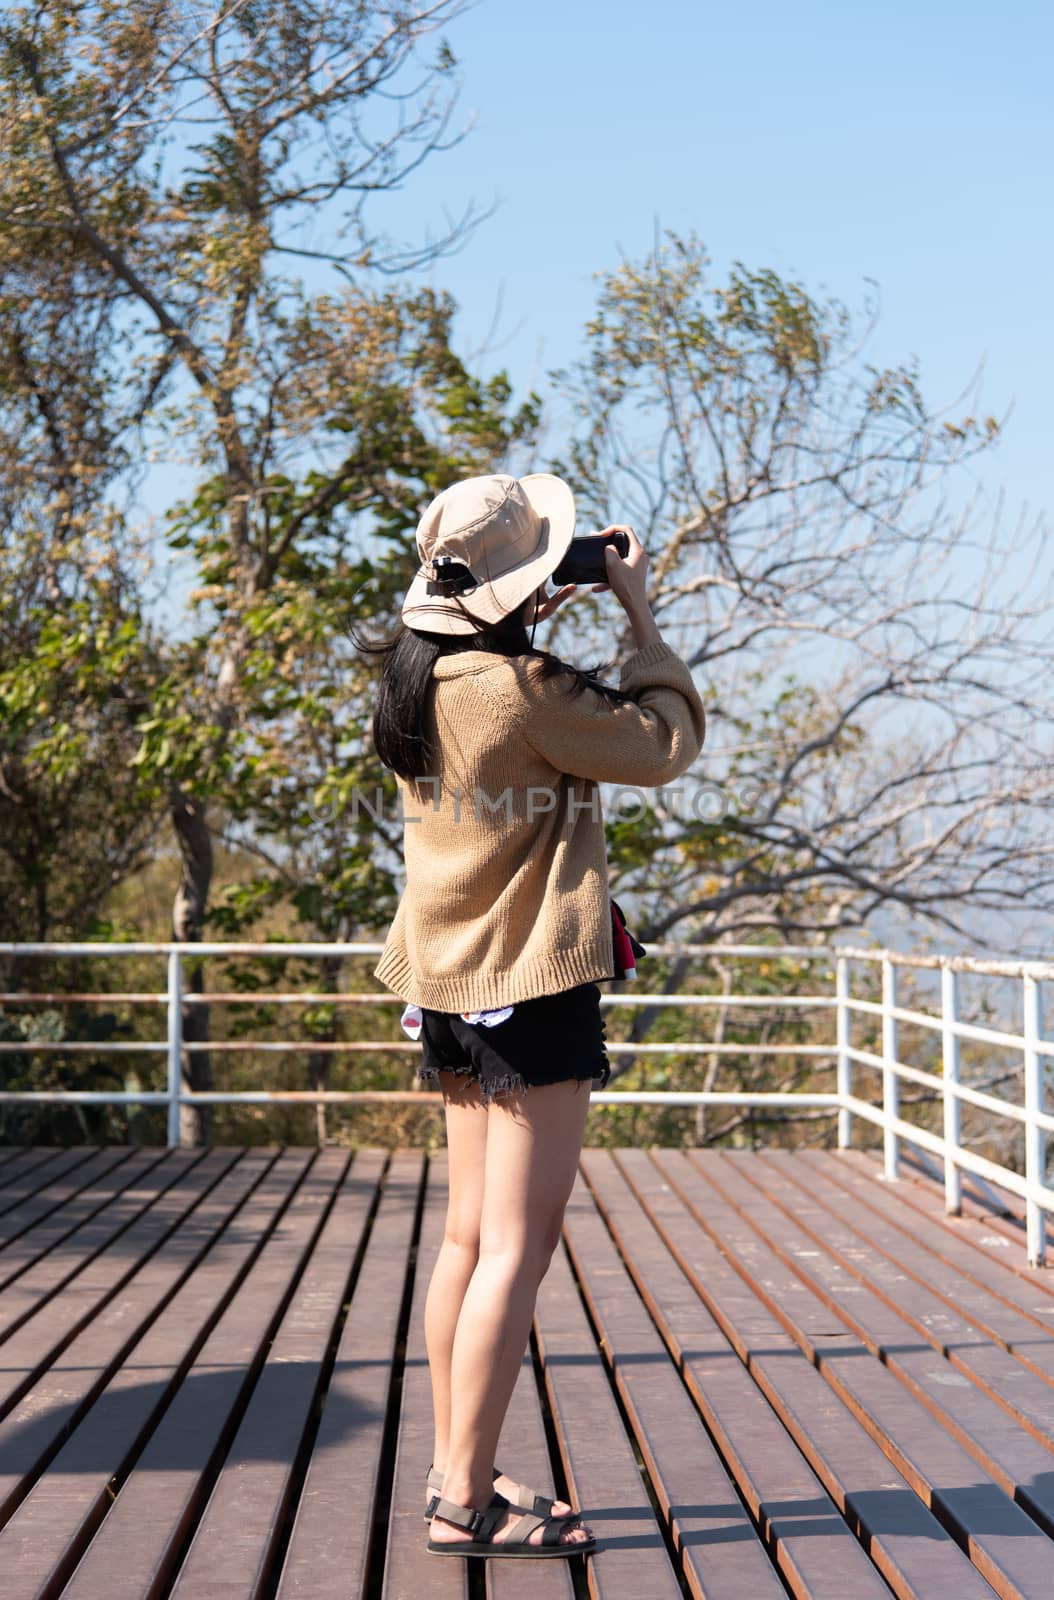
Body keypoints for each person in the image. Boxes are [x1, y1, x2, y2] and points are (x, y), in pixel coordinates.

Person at [358, 472, 706, 1559]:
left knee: (467, 1239)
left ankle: (453, 1468)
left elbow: (507, 715)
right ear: (514, 584)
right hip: (532, 988)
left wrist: (519, 620)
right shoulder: (522, 685)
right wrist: (640, 614)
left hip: (451, 987)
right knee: (520, 1242)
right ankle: (463, 1501)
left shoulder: (424, 678)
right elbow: (661, 743)